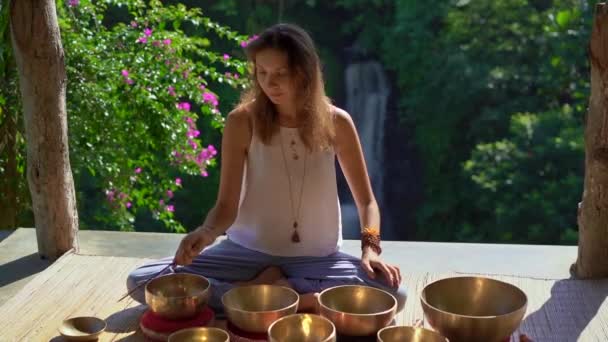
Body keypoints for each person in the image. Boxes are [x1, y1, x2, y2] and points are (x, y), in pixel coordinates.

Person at [127, 23, 406, 315]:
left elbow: (367, 202)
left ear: (304, 72)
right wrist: (206, 232)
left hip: (316, 260)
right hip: (244, 254)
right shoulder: (241, 122)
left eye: (280, 74)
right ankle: (296, 299)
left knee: (393, 293)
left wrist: (369, 249)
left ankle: (260, 295)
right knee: (141, 280)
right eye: (262, 73)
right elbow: (226, 206)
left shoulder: (338, 122)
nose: (269, 84)